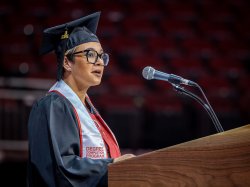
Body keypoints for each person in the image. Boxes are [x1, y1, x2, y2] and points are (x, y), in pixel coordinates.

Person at [28, 12, 134, 187]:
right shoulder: (53, 105)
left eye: (101, 56)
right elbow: (60, 167)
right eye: (90, 54)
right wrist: (112, 166)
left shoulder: (88, 110)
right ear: (67, 63)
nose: (99, 62)